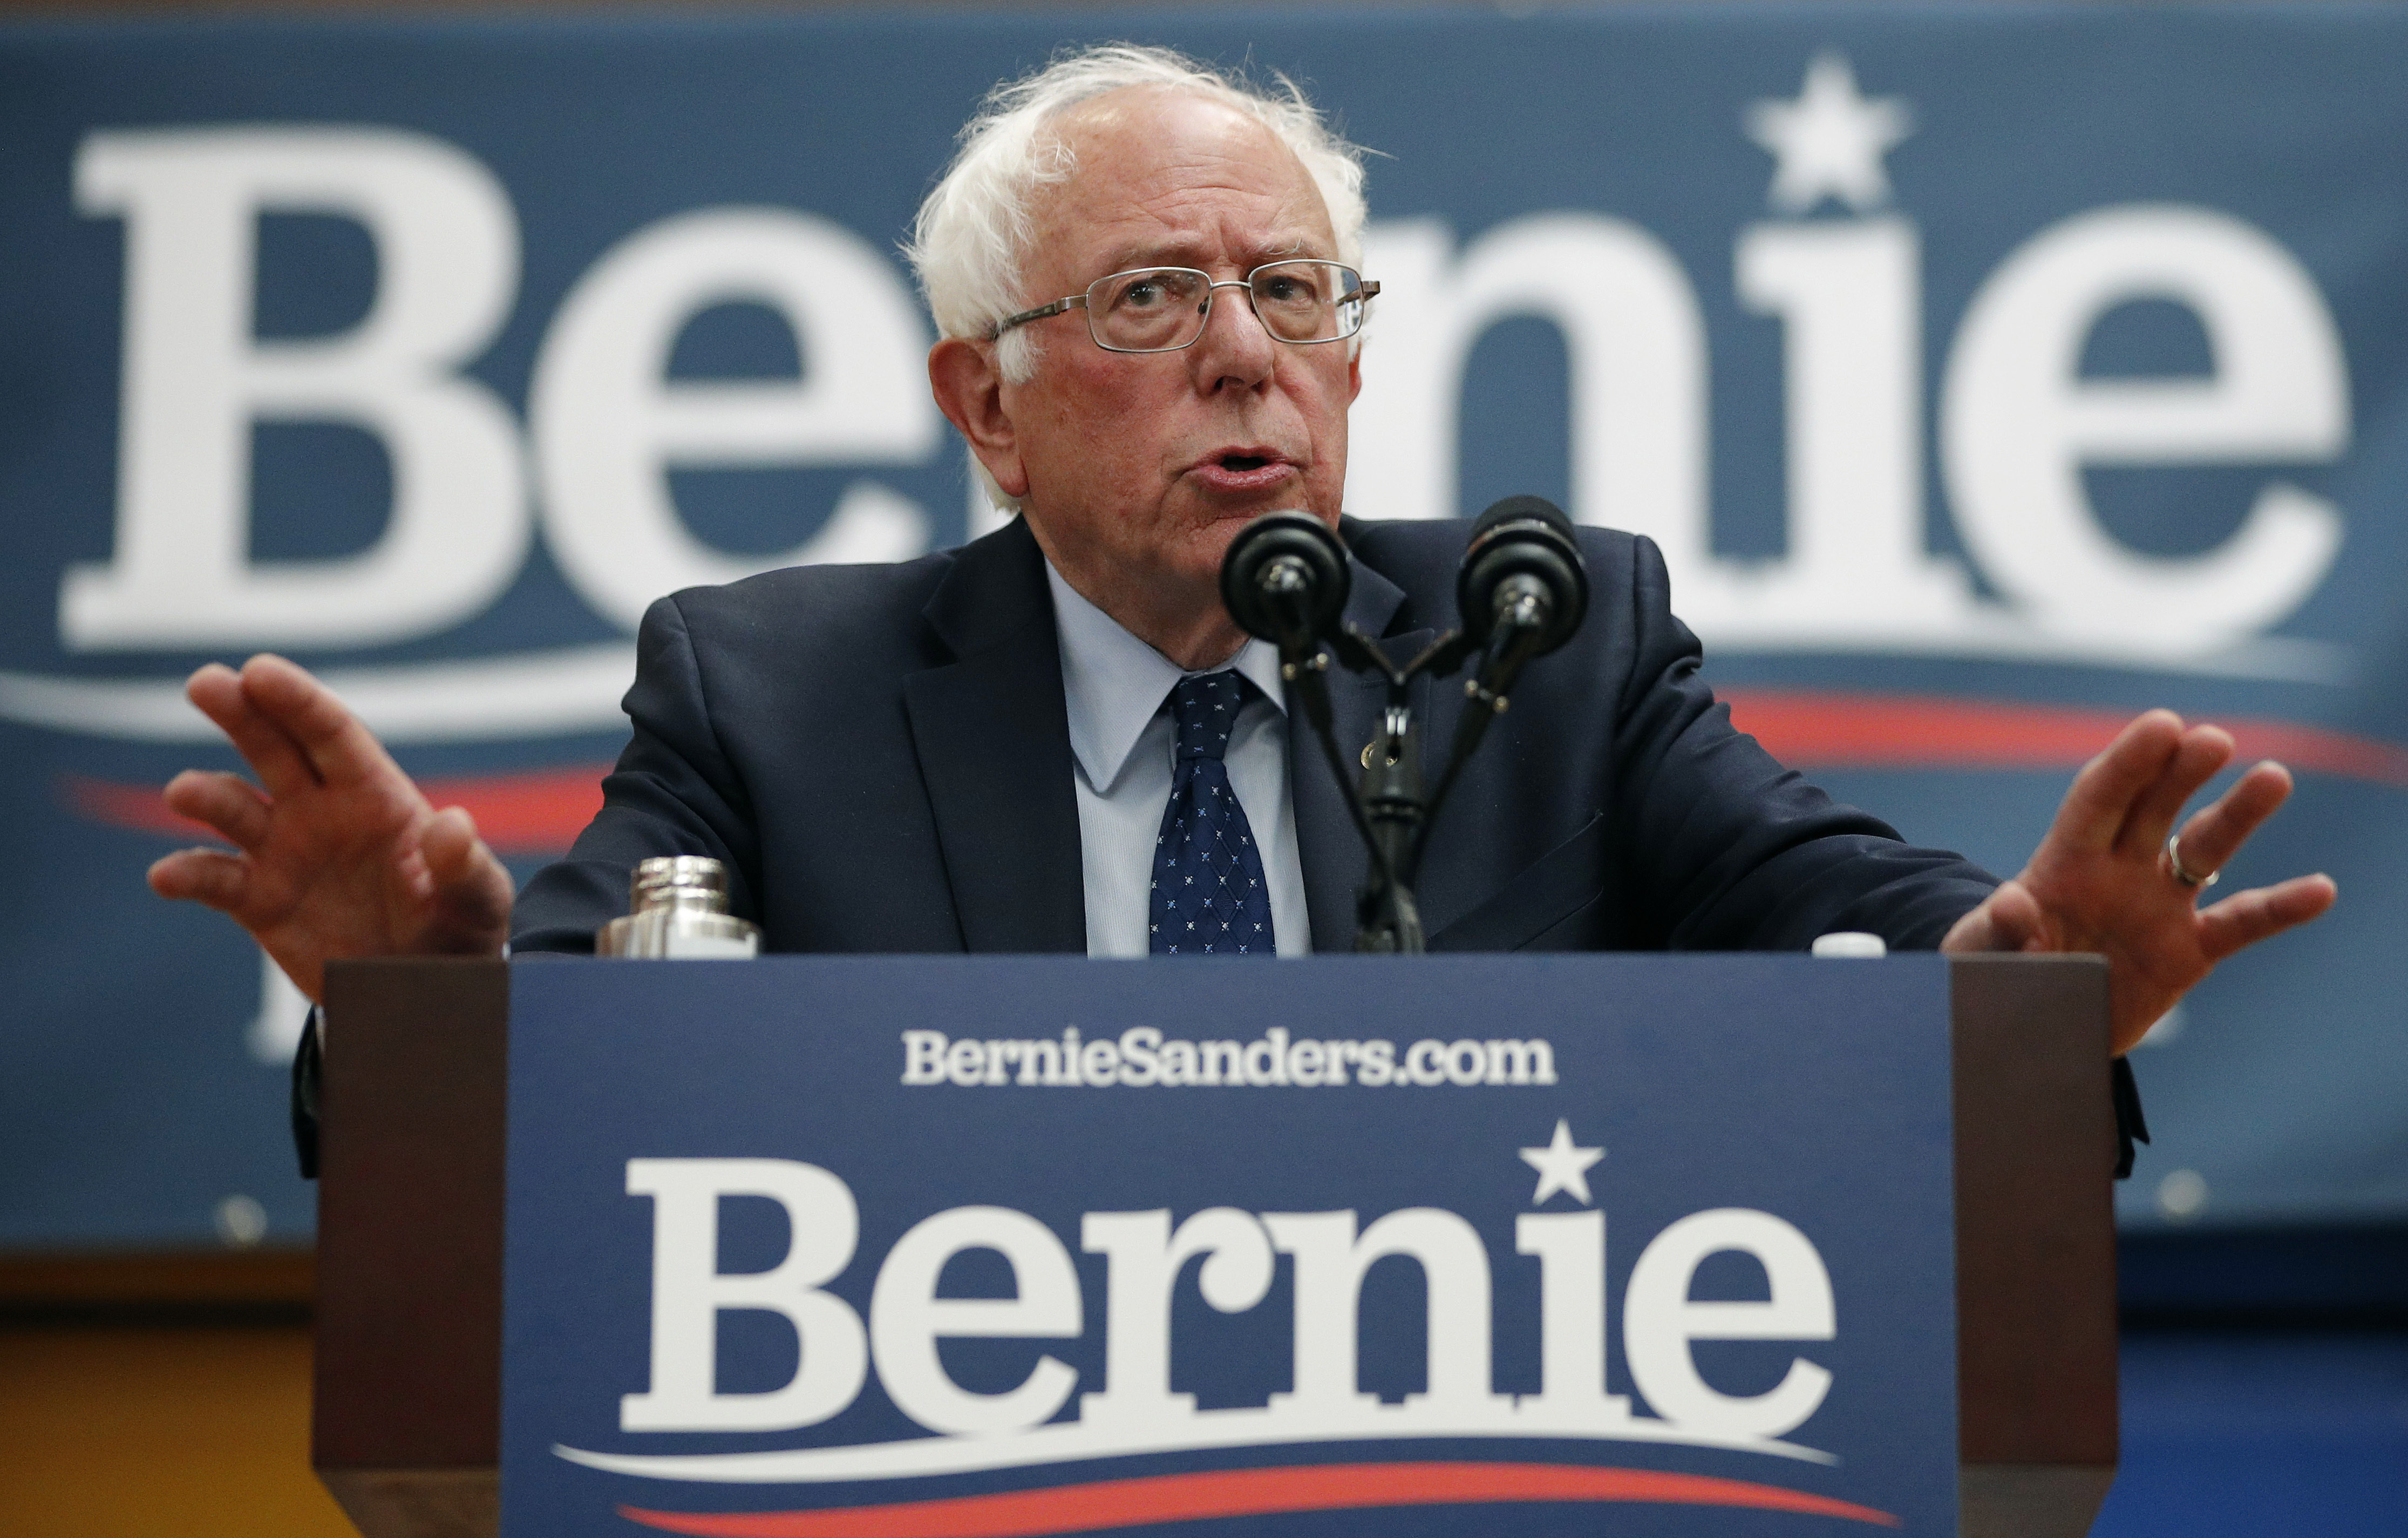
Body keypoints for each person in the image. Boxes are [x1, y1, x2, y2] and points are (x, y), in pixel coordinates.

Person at [146, 46, 2334, 1171]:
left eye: (1292, 293)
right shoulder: (772, 689)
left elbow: (1848, 907)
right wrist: (423, 1003)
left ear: (1355, 362)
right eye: (1148, 297)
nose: (1243, 350)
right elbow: (560, 1112)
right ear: (982, 405)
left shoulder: (1541, 644)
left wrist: (2029, 990)